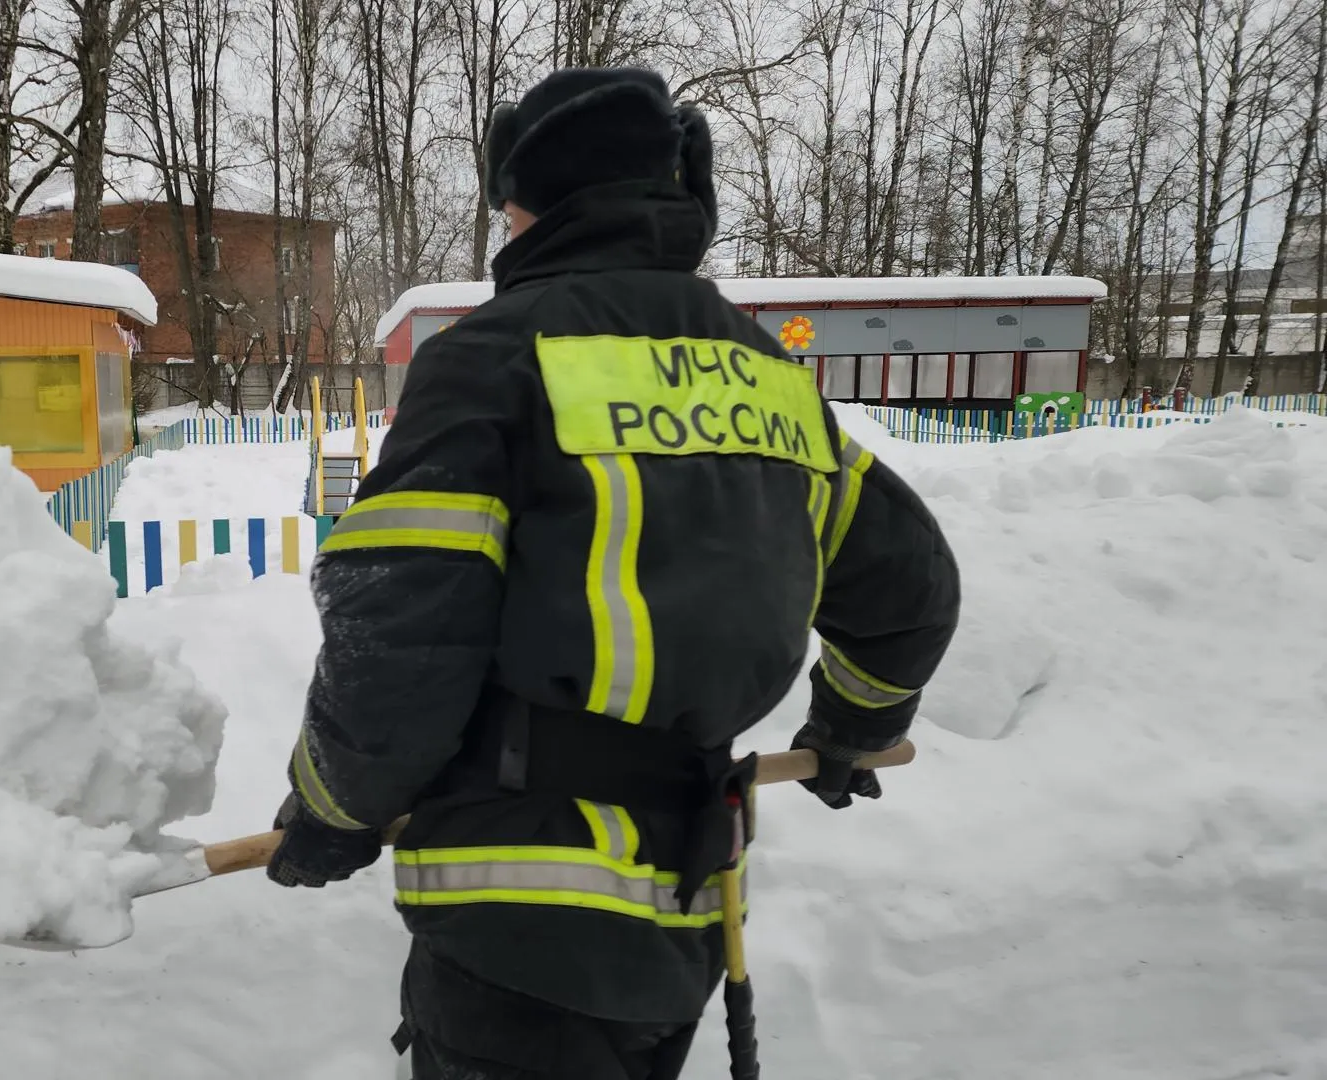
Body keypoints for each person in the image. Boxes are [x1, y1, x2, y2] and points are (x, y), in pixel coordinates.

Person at [266, 66, 961, 1080]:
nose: (503, 231)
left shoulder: (495, 357)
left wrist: (335, 806)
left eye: (506, 209)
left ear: (537, 202)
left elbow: (403, 624)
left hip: (519, 908)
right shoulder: (767, 376)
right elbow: (912, 591)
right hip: (683, 905)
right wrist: (852, 731)